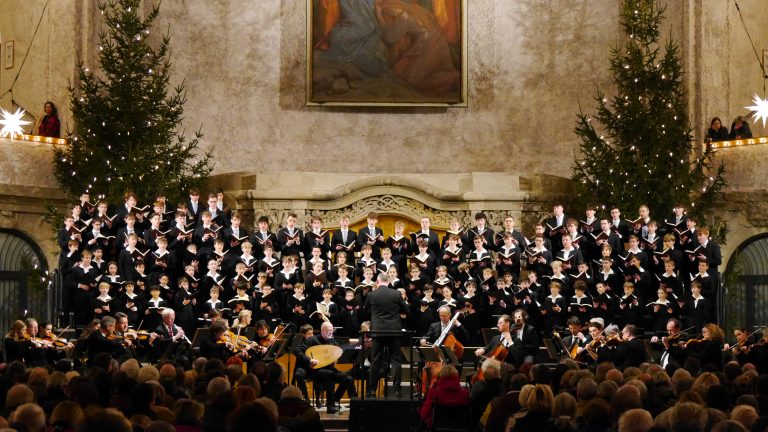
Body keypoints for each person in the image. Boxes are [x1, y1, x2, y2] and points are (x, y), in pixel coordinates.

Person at [295, 321, 354, 415]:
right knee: (329, 375)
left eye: (331, 331)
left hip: (329, 370)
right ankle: (330, 407)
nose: (330, 333)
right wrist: (309, 360)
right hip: (314, 371)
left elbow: (336, 355)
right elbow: (297, 350)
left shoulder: (333, 342)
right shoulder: (312, 340)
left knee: (348, 379)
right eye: (328, 331)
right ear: (322, 330)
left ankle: (334, 400)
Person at [364, 272, 408, 397]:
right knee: (395, 360)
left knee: (375, 361)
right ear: (388, 281)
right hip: (394, 331)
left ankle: (372, 389)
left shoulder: (372, 295)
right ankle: (397, 390)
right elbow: (407, 310)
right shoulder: (396, 294)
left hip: (377, 331)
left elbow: (365, 310)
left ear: (377, 281)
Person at [418, 365, 469, 429]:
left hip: (438, 427)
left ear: (441, 376)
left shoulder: (433, 393)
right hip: (459, 428)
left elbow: (423, 414)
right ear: (456, 376)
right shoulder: (465, 394)